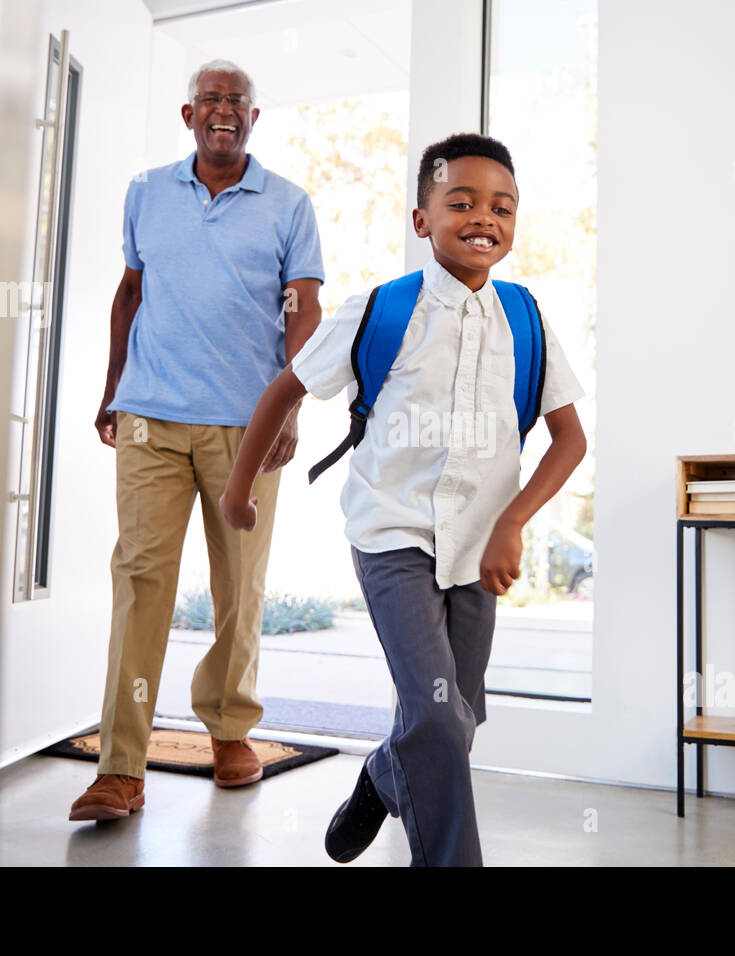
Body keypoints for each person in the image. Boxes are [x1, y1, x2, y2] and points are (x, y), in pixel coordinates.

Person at [219, 133, 587, 865]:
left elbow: (571, 439)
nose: (484, 217)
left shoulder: (526, 319)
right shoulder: (380, 310)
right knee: (437, 718)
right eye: (462, 202)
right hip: (391, 535)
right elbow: (285, 389)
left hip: (480, 545)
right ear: (422, 220)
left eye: (502, 207)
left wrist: (513, 522)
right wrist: (239, 490)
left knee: (459, 715)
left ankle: (385, 774)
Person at [68, 60, 324, 822]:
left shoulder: (288, 204)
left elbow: (303, 310)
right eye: (210, 99)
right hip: (150, 416)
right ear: (188, 116)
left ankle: (230, 731)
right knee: (140, 581)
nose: (223, 110)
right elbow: (130, 292)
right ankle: (121, 765)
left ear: (253, 118)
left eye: (236, 101)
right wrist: (112, 388)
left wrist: (289, 410)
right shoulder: (147, 192)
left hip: (246, 426)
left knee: (240, 585)